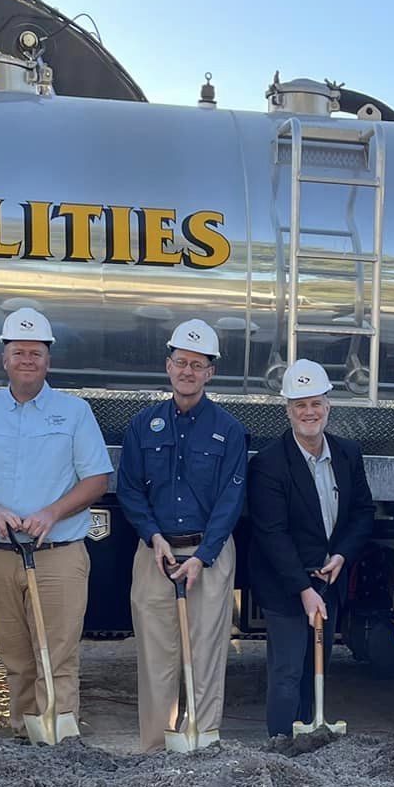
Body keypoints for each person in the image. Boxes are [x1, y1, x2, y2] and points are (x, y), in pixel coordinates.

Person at [0, 307, 109, 739]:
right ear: (4, 358)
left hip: (57, 556)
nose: (27, 360)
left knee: (57, 658)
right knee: (16, 659)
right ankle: (23, 737)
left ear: (48, 360)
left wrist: (52, 513)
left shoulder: (74, 412)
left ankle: (59, 743)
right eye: (18, 352)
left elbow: (97, 479)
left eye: (35, 352)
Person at [117, 318, 248, 751]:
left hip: (208, 554)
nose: (187, 371)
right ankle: (156, 749)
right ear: (168, 366)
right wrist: (153, 536)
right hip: (156, 554)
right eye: (181, 362)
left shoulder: (229, 430)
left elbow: (231, 499)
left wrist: (203, 555)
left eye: (197, 364)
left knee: (206, 655)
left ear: (211, 372)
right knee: (156, 657)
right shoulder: (143, 425)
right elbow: (130, 489)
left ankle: (202, 745)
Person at [247, 359, 370, 740]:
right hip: (285, 585)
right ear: (288, 410)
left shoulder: (348, 454)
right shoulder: (269, 464)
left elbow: (362, 512)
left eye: (316, 403)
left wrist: (342, 555)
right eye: (300, 404)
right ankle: (280, 746)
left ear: (328, 406)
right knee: (287, 671)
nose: (309, 412)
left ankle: (309, 741)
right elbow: (272, 533)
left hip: (329, 581)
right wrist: (303, 589)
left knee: (316, 667)